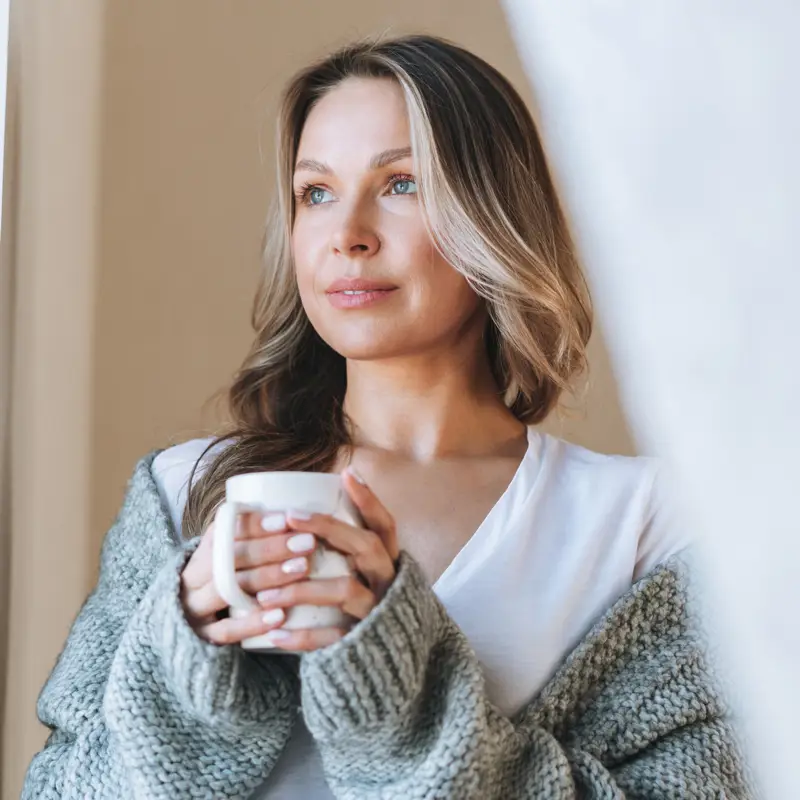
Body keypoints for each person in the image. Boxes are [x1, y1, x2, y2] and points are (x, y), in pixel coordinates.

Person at [22, 34, 751, 799]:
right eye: (317, 193)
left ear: (492, 213)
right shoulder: (184, 493)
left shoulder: (647, 529)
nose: (348, 235)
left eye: (400, 184)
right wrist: (186, 667)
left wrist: (393, 683)